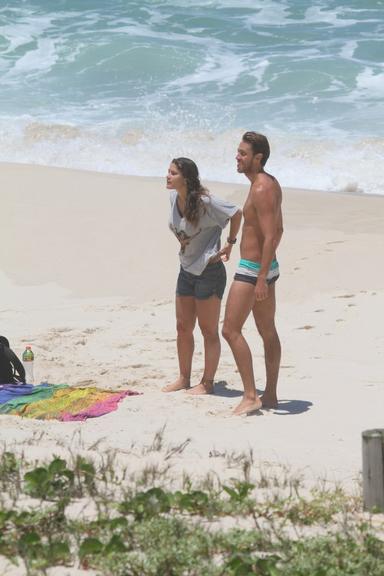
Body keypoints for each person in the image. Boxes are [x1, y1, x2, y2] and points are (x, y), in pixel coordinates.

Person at [163, 157, 242, 395]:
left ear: (186, 178)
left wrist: (229, 243)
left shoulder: (206, 202)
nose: (167, 176)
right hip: (185, 270)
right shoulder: (174, 198)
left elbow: (237, 213)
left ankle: (207, 383)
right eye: (168, 171)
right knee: (183, 327)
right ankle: (184, 378)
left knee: (208, 330)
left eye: (173, 173)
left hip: (209, 272)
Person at [222, 132, 283, 414]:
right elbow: (272, 230)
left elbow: (273, 235)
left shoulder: (261, 188)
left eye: (243, 153)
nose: (238, 157)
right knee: (266, 330)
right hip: (264, 267)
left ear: (258, 158)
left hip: (253, 269)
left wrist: (260, 278)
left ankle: (251, 396)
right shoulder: (265, 183)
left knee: (230, 329)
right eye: (238, 152)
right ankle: (269, 394)